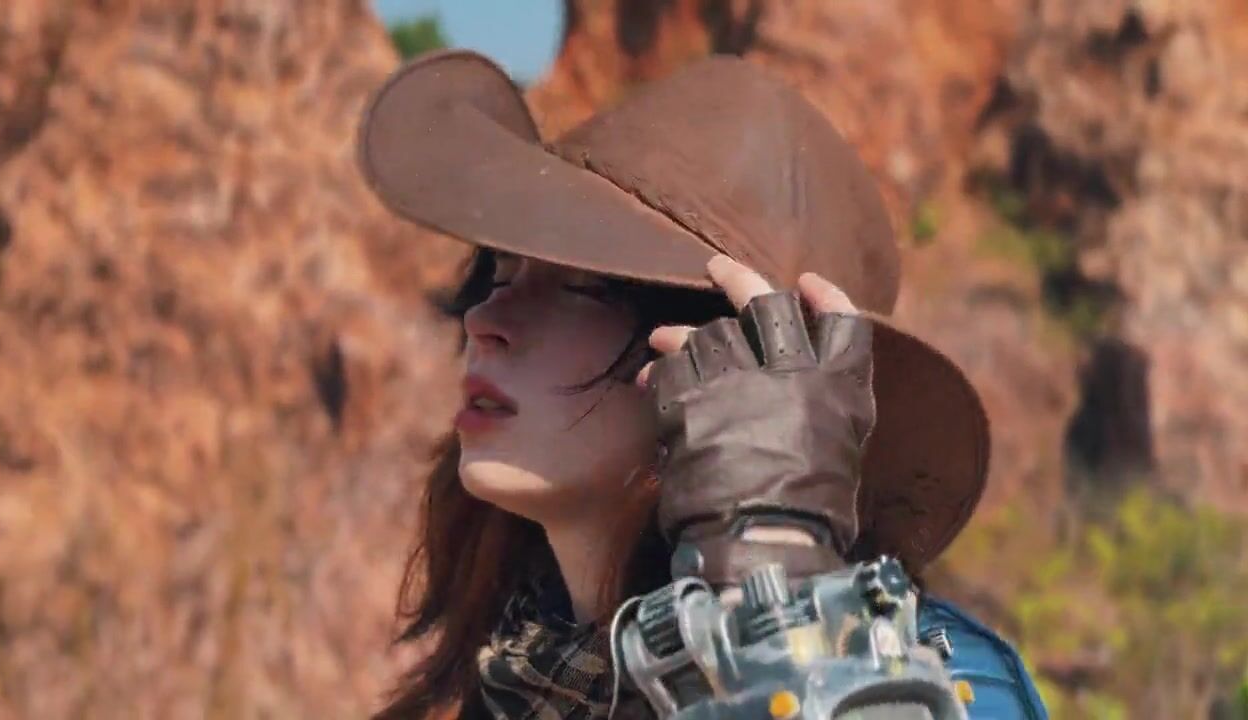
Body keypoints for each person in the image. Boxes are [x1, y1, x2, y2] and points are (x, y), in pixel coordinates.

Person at [357, 49, 1049, 719]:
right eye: (501, 274)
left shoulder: (944, 678)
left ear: (741, 367)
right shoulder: (523, 678)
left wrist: (768, 572)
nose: (484, 320)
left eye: (581, 288)